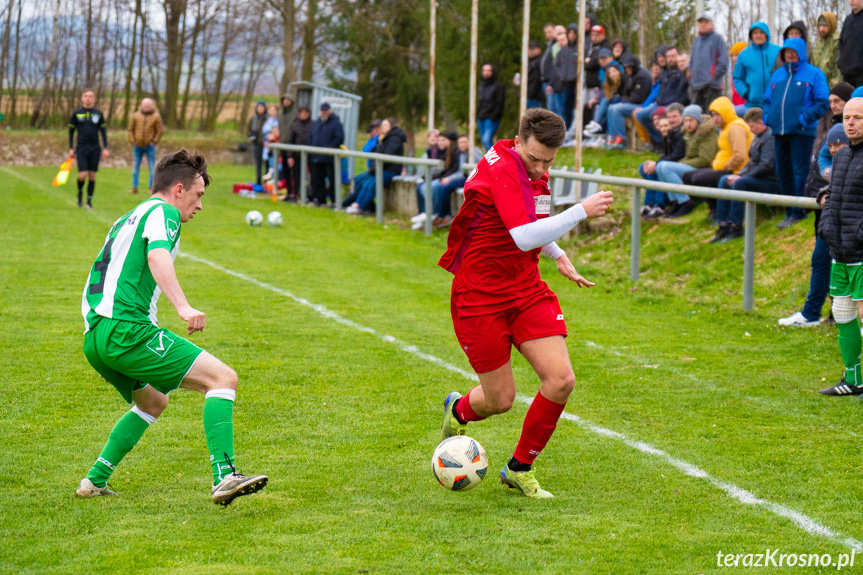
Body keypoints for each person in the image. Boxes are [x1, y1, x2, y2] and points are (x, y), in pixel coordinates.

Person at [437, 108, 614, 498]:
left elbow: (531, 225)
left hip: (526, 289)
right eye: (534, 159)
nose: (540, 169)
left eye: (549, 161)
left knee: (561, 379)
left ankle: (519, 467)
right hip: (480, 295)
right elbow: (520, 234)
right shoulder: (503, 168)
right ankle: (460, 409)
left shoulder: (530, 167)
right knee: (501, 400)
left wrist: (556, 254)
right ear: (518, 142)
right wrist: (581, 211)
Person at [75, 149, 268, 504]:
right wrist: (183, 306)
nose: (199, 205)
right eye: (198, 195)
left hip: (97, 334)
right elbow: (157, 255)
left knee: (153, 402)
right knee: (223, 379)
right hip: (126, 330)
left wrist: (103, 344)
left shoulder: (128, 217)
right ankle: (224, 477)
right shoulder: (164, 212)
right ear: (178, 190)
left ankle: (94, 481)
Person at [780, 122, 850, 328]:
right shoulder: (836, 162)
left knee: (851, 271)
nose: (834, 149)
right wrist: (823, 193)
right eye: (831, 145)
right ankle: (810, 314)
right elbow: (832, 182)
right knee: (820, 261)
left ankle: (847, 319)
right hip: (831, 221)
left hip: (852, 224)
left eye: (838, 144)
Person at [816, 97, 863, 395]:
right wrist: (826, 227)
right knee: (842, 312)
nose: (850, 122)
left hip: (861, 252)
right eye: (847, 117)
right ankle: (853, 379)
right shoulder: (842, 155)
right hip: (840, 251)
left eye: (857, 117)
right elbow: (833, 194)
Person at [763, 37, 829, 230]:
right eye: (786, 52)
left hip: (802, 132)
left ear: (801, 53)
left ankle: (798, 211)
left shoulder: (814, 74)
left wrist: (803, 119)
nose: (790, 55)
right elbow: (767, 100)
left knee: (799, 172)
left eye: (793, 52)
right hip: (779, 132)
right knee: (783, 172)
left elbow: (822, 102)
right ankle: (788, 211)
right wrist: (768, 118)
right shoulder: (777, 75)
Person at [712, 108, 778, 243]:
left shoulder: (770, 138)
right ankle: (723, 224)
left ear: (761, 122)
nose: (751, 130)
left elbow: (767, 166)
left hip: (773, 182)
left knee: (739, 183)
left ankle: (736, 227)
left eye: (752, 127)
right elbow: (751, 162)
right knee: (725, 180)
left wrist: (742, 178)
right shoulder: (758, 137)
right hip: (760, 178)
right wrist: (739, 174)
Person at [682, 97, 753, 221]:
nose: (715, 118)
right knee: (687, 176)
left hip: (736, 170)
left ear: (726, 112)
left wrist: (725, 167)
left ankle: (718, 210)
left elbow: (740, 155)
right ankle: (713, 207)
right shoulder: (726, 127)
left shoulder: (736, 127)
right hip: (723, 166)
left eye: (718, 115)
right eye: (713, 115)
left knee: (697, 178)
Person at [656, 104, 719, 218]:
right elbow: (689, 155)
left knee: (666, 167)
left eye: (691, 120)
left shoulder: (707, 132)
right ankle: (675, 202)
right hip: (693, 164)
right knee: (660, 166)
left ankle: (685, 202)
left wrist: (681, 163)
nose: (688, 124)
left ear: (698, 120)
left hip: (703, 167)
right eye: (685, 121)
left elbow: (705, 159)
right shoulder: (689, 133)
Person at [345, 117, 405, 214]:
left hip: (390, 170)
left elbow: (387, 157)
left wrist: (376, 168)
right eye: (383, 125)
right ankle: (349, 203)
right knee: (359, 180)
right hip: (378, 168)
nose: (383, 127)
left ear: (391, 126)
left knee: (370, 184)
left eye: (385, 125)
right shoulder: (383, 138)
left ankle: (360, 206)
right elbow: (374, 153)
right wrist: (374, 167)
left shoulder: (394, 139)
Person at [640, 104, 686, 218]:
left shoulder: (681, 133)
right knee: (643, 167)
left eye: (674, 117)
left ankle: (660, 205)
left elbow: (677, 155)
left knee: (660, 168)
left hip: (678, 164)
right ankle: (649, 203)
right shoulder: (667, 135)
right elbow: (666, 155)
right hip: (669, 163)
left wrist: (656, 164)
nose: (664, 127)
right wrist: (653, 163)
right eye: (662, 126)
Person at [411, 132, 463, 228]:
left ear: (449, 141)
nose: (440, 143)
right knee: (420, 186)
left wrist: (446, 178)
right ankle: (424, 213)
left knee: (435, 186)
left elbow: (456, 170)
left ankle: (434, 213)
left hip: (454, 178)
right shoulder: (442, 151)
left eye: (443, 140)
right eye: (439, 140)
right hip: (444, 177)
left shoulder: (456, 151)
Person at [68, 89, 109, 209]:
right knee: (82, 175)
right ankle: (80, 193)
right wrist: (71, 148)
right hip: (81, 147)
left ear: (94, 98)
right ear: (82, 98)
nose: (88, 98)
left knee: (92, 175)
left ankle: (89, 202)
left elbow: (104, 131)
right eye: (86, 96)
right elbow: (71, 132)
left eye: (90, 96)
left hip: (95, 147)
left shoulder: (98, 114)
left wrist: (106, 147)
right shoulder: (77, 113)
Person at [606, 53, 654, 148]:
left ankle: (621, 139)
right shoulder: (631, 75)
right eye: (626, 67)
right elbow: (627, 93)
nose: (628, 69)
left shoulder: (642, 76)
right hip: (634, 103)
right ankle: (613, 137)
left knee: (617, 109)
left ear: (634, 66)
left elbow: (639, 97)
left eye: (629, 67)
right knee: (611, 107)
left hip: (642, 105)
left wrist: (623, 102)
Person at [733, 22, 782, 114]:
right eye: (755, 33)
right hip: (752, 106)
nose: (758, 35)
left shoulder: (778, 51)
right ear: (751, 35)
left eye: (761, 32)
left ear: (766, 34)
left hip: (774, 104)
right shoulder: (744, 54)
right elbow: (737, 77)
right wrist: (745, 92)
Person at [308, 102, 345, 206]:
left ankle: (334, 201)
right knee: (317, 179)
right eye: (322, 110)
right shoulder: (317, 123)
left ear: (330, 111)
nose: (323, 112)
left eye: (325, 110)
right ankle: (320, 199)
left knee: (332, 179)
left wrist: (329, 150)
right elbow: (311, 136)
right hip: (316, 157)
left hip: (329, 158)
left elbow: (339, 138)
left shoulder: (336, 123)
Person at [690, 15, 729, 110]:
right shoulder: (696, 40)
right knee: (696, 115)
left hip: (711, 86)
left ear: (712, 24)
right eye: (701, 22)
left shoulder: (717, 39)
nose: (703, 24)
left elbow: (723, 61)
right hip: (696, 85)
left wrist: (714, 76)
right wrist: (691, 74)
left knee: (711, 115)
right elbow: (692, 61)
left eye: (706, 22)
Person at [127, 98, 163, 195]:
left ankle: (151, 188)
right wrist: (133, 140)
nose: (146, 107)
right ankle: (135, 187)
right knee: (135, 167)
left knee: (152, 168)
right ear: (141, 106)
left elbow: (159, 131)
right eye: (145, 105)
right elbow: (130, 129)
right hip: (137, 146)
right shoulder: (136, 116)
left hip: (150, 146)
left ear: (152, 106)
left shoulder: (156, 117)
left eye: (148, 105)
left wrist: (154, 141)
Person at [550, 31, 577, 126]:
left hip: (573, 85)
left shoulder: (576, 50)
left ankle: (569, 131)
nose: (560, 42)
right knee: (563, 111)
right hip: (560, 86)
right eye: (558, 40)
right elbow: (556, 68)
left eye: (562, 40)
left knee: (571, 110)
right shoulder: (559, 52)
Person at [477, 64, 506, 151]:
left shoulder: (498, 86)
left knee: (486, 140)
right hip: (481, 117)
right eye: (484, 70)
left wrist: (494, 116)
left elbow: (499, 103)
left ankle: (493, 160)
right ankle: (489, 160)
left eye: (489, 70)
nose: (486, 73)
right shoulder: (481, 86)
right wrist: (477, 115)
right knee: (485, 141)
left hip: (491, 118)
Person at [287, 107, 313, 202]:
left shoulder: (313, 125)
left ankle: (310, 195)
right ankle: (297, 194)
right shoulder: (295, 125)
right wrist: (290, 156)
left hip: (310, 156)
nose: (304, 115)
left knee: (312, 176)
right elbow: (291, 141)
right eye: (302, 113)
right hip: (297, 155)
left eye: (306, 113)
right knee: (297, 176)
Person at [812, 13, 841, 87]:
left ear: (831, 25)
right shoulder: (819, 43)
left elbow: (840, 70)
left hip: (833, 89)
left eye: (825, 26)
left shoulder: (839, 42)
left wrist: (831, 87)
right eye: (820, 26)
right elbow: (813, 65)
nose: (822, 29)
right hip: (817, 87)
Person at [838, 0, 863, 87]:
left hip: (861, 75)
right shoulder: (848, 20)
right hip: (847, 74)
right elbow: (841, 42)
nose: (852, 1)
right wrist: (840, 63)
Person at [277, 93, 297, 198]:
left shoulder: (295, 114)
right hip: (282, 144)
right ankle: (288, 191)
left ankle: (295, 192)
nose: (286, 102)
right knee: (285, 170)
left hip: (292, 145)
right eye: (284, 100)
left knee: (293, 171)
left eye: (288, 100)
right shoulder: (280, 114)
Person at [247, 101, 268, 185]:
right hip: (256, 144)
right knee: (258, 164)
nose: (260, 109)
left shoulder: (268, 119)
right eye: (259, 107)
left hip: (266, 145)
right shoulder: (253, 119)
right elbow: (248, 130)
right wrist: (251, 136)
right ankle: (258, 181)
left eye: (262, 107)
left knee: (266, 164)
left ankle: (266, 182)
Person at [526, 40, 544, 109]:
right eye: (529, 49)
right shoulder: (530, 62)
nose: (530, 51)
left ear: (539, 50)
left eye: (532, 49)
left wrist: (530, 94)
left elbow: (536, 79)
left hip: (534, 97)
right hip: (530, 95)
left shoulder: (538, 63)